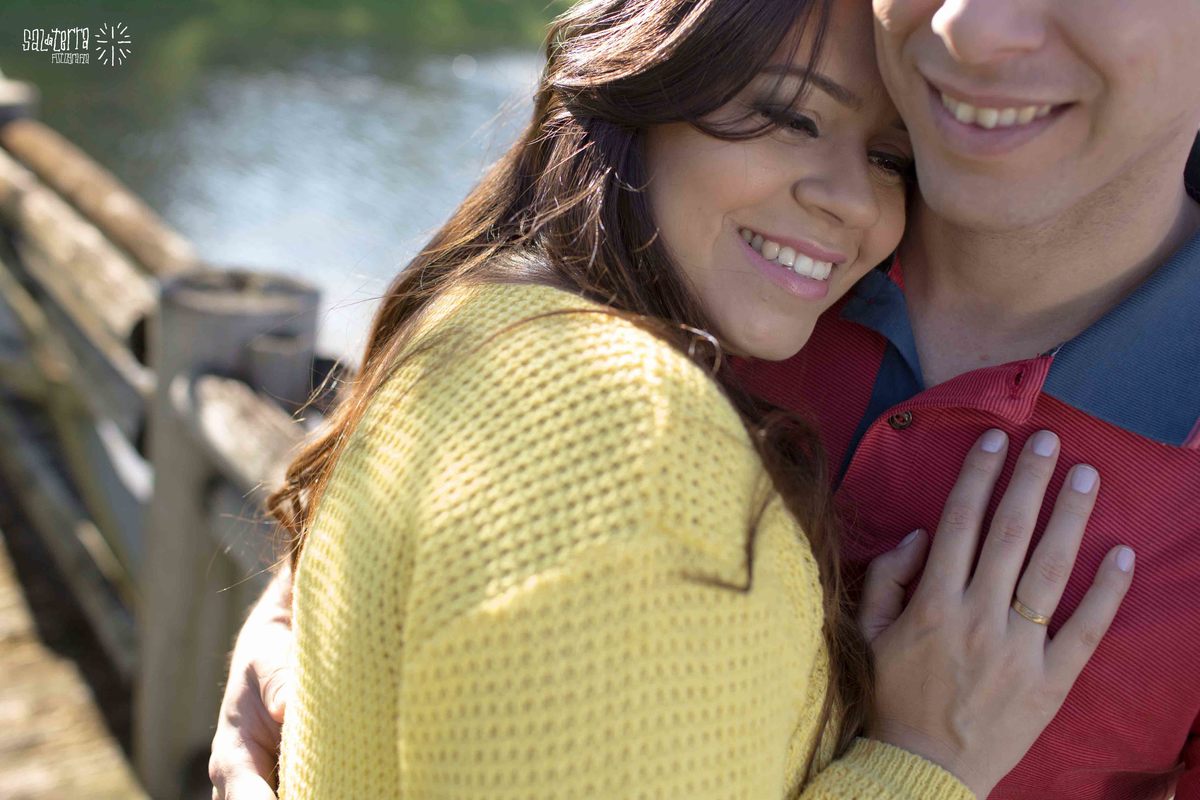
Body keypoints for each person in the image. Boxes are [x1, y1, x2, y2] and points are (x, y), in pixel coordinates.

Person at [206, 0, 1161, 797]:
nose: (852, 203)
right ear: (635, 88)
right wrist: (922, 768)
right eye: (790, 117)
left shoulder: (496, 317)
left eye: (890, 160)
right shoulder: (630, 422)